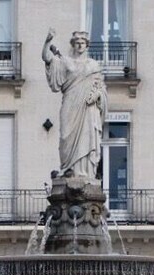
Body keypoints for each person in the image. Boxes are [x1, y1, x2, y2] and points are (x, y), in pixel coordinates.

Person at [41, 28, 107, 179]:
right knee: (65, 136)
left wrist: (96, 95)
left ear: (87, 45)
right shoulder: (65, 62)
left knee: (87, 137)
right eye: (77, 43)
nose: (80, 45)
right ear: (73, 45)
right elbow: (46, 57)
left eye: (82, 43)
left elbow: (101, 88)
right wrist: (47, 41)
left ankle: (85, 173)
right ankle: (67, 168)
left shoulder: (93, 65)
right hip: (70, 104)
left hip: (87, 108)